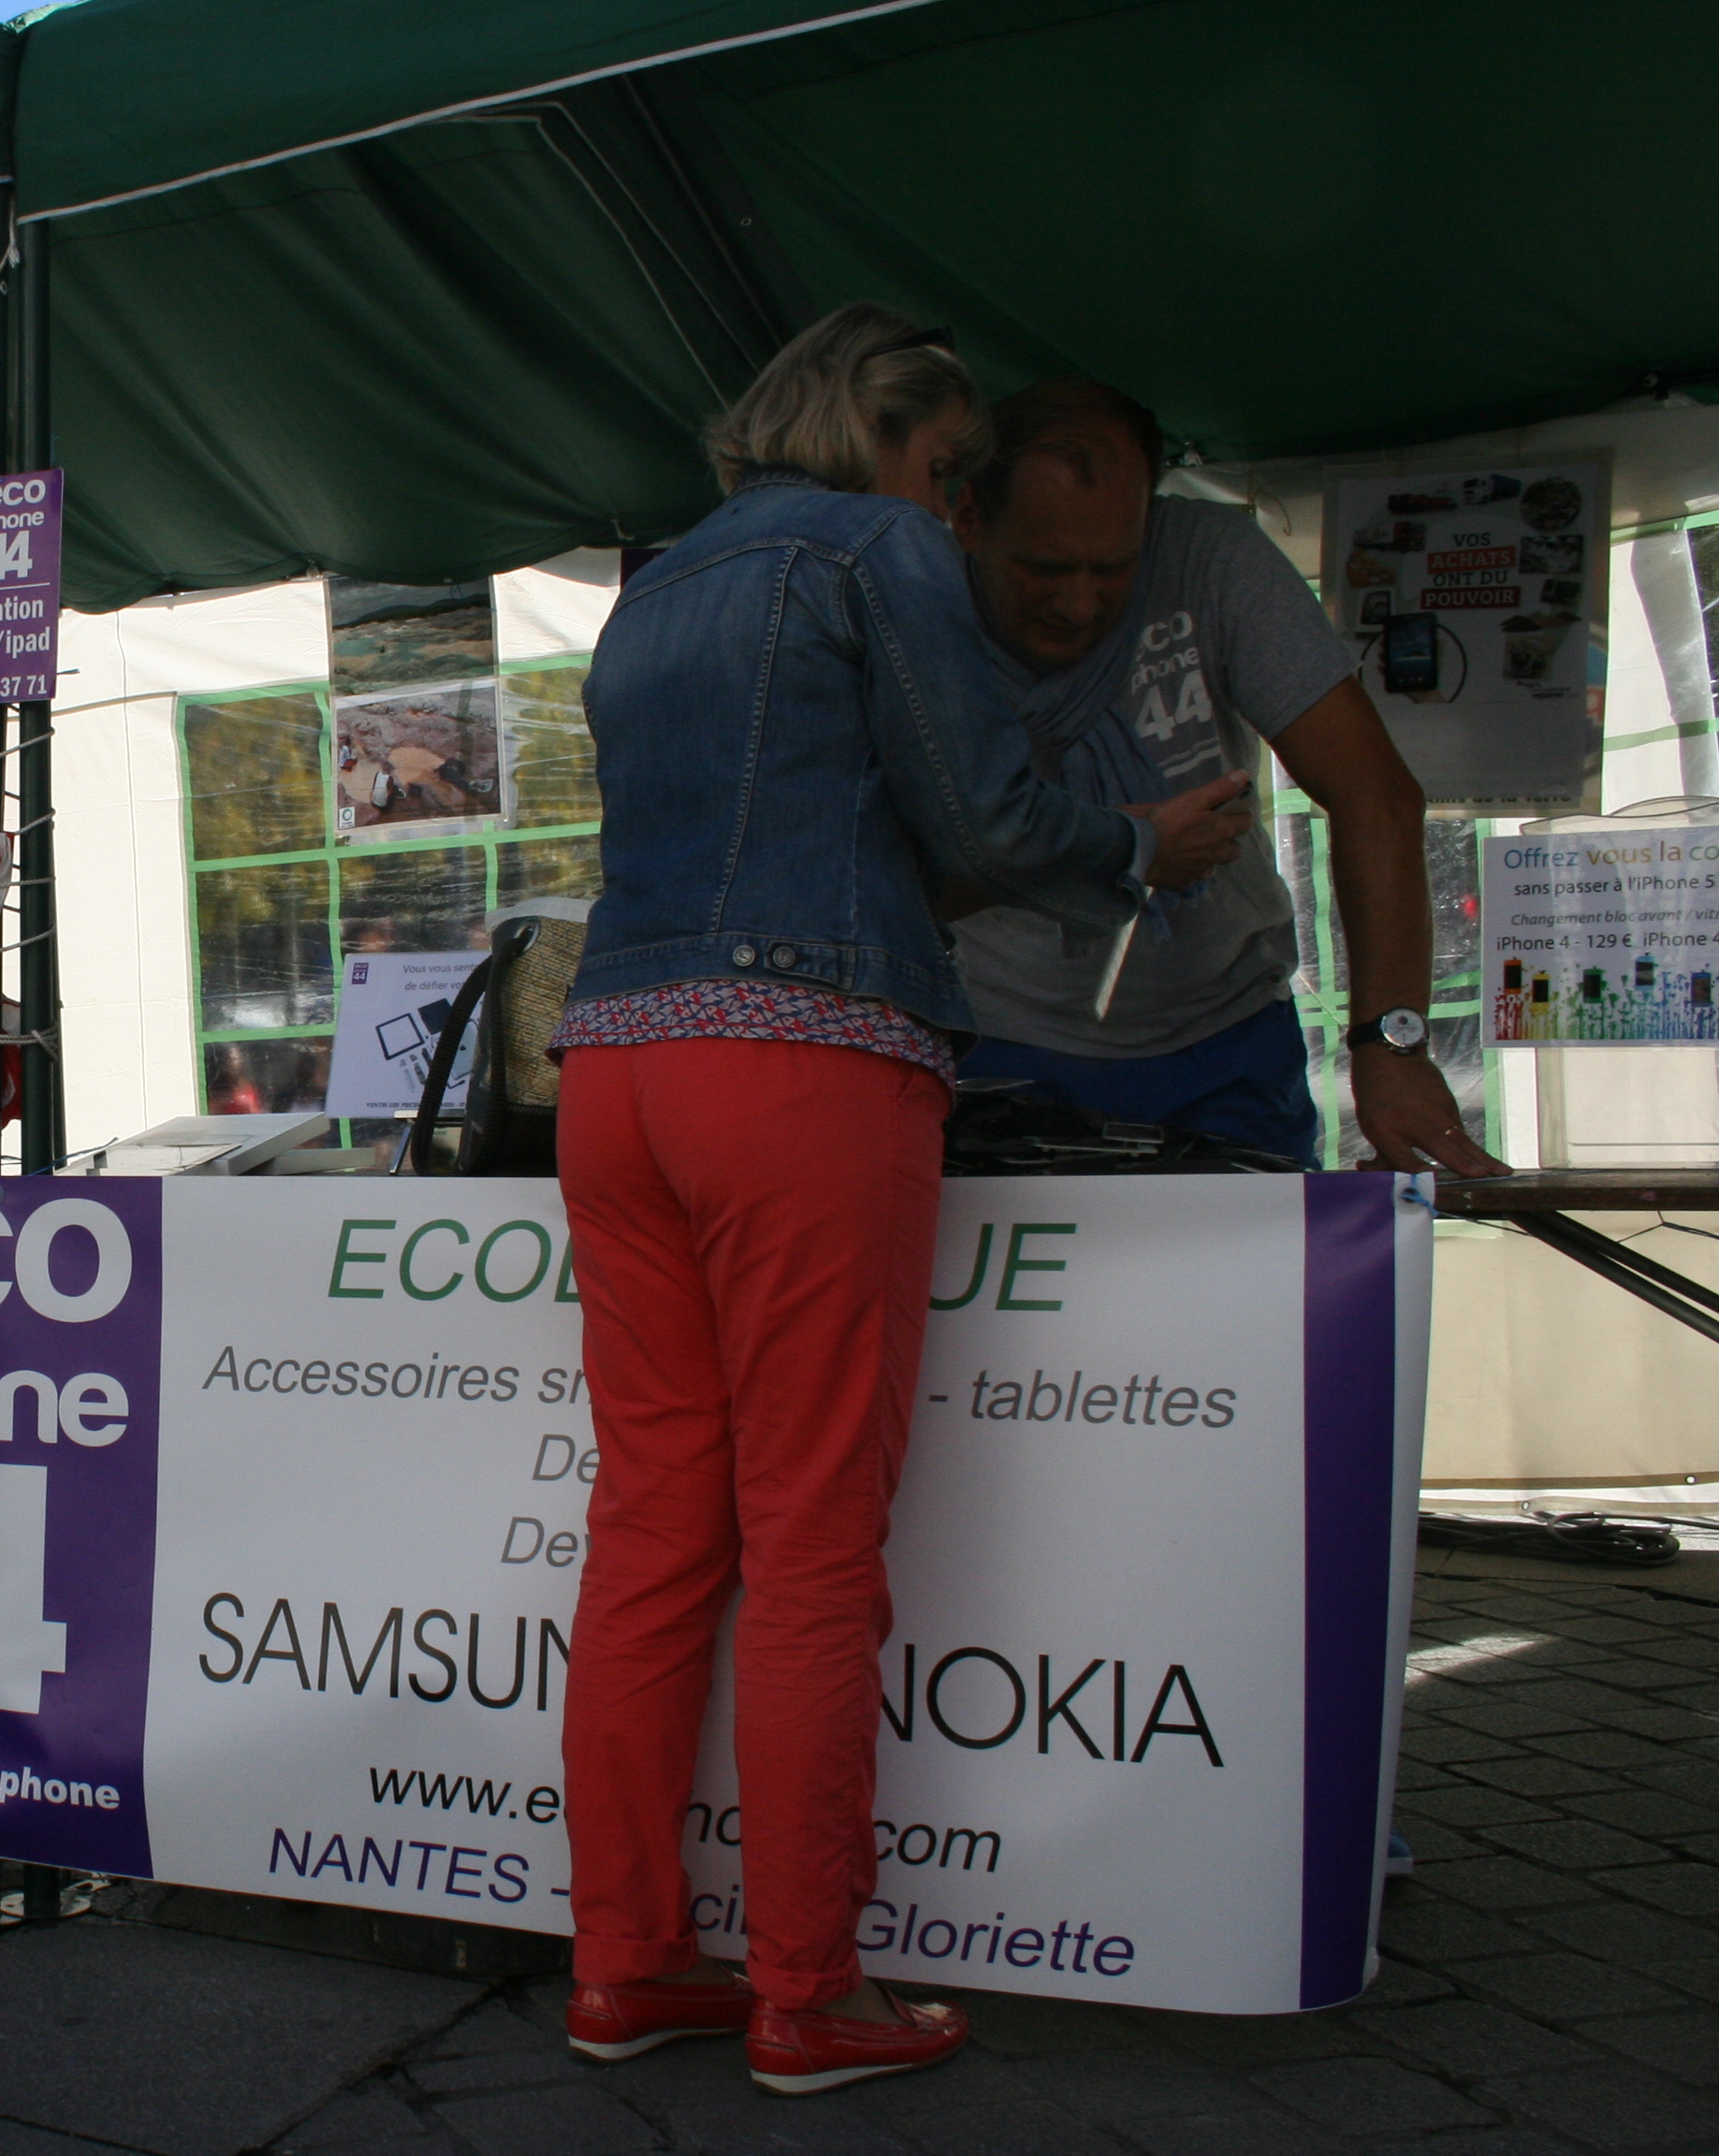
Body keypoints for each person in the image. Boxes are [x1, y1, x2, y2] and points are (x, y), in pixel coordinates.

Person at [551, 305, 1250, 2095]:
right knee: (807, 1539)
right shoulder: (874, 545)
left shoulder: (655, 586)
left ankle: (626, 1959)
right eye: (948, 470)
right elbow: (987, 810)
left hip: (619, 1061)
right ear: (881, 433)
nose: (954, 510)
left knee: (647, 1532)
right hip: (803, 1063)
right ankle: (807, 1988)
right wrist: (1137, 846)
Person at [946, 380, 1503, 1176]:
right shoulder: (906, 598)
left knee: (1249, 1300)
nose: (1080, 602)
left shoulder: (1211, 556)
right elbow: (879, 865)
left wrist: (1392, 1043)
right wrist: (1119, 851)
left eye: (1115, 567)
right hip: (994, 1042)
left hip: (1225, 1038)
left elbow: (1376, 796)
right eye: (1045, 568)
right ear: (967, 517)